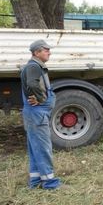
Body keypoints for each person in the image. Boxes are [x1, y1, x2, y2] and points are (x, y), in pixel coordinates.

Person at [21, 40, 61, 190]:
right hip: (37, 114)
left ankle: (36, 181)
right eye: (46, 50)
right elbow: (32, 84)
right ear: (36, 52)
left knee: (36, 148)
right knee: (43, 148)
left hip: (35, 114)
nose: (49, 52)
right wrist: (41, 98)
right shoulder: (33, 66)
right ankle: (50, 183)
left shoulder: (36, 66)